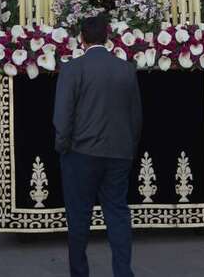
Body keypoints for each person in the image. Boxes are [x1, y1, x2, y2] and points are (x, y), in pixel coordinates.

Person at [53, 15, 142, 277]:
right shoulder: (126, 69)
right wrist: (129, 147)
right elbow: (136, 115)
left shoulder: (72, 69)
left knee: (79, 218)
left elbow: (63, 115)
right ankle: (123, 272)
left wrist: (63, 147)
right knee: (117, 214)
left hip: (81, 153)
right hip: (119, 153)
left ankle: (80, 273)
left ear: (81, 39)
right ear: (108, 37)